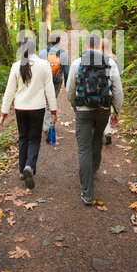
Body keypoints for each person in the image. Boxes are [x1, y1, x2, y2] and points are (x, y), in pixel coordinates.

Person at [66, 33, 123, 205]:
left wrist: (73, 105)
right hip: (102, 109)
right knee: (97, 138)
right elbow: (118, 90)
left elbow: (70, 89)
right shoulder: (110, 62)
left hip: (83, 110)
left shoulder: (77, 63)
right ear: (99, 46)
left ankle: (87, 193)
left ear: (85, 45)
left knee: (84, 149)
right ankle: (94, 169)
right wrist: (116, 111)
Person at [0, 37, 57, 190]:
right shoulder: (44, 65)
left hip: (20, 108)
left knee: (23, 138)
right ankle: (30, 166)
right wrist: (53, 110)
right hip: (37, 108)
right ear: (35, 49)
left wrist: (3, 113)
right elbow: (49, 90)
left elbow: (9, 91)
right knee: (35, 139)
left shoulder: (16, 66)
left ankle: (22, 171)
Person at [39, 33, 69, 143]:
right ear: (59, 41)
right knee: (52, 101)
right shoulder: (63, 54)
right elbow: (66, 70)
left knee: (46, 103)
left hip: (43, 82)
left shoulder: (42, 53)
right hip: (56, 82)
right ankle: (49, 125)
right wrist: (66, 83)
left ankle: (47, 126)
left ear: (49, 41)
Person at [99, 38, 121, 145]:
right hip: (110, 90)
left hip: (98, 89)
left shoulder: (96, 59)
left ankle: (101, 131)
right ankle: (107, 131)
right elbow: (117, 78)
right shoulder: (114, 59)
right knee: (107, 110)